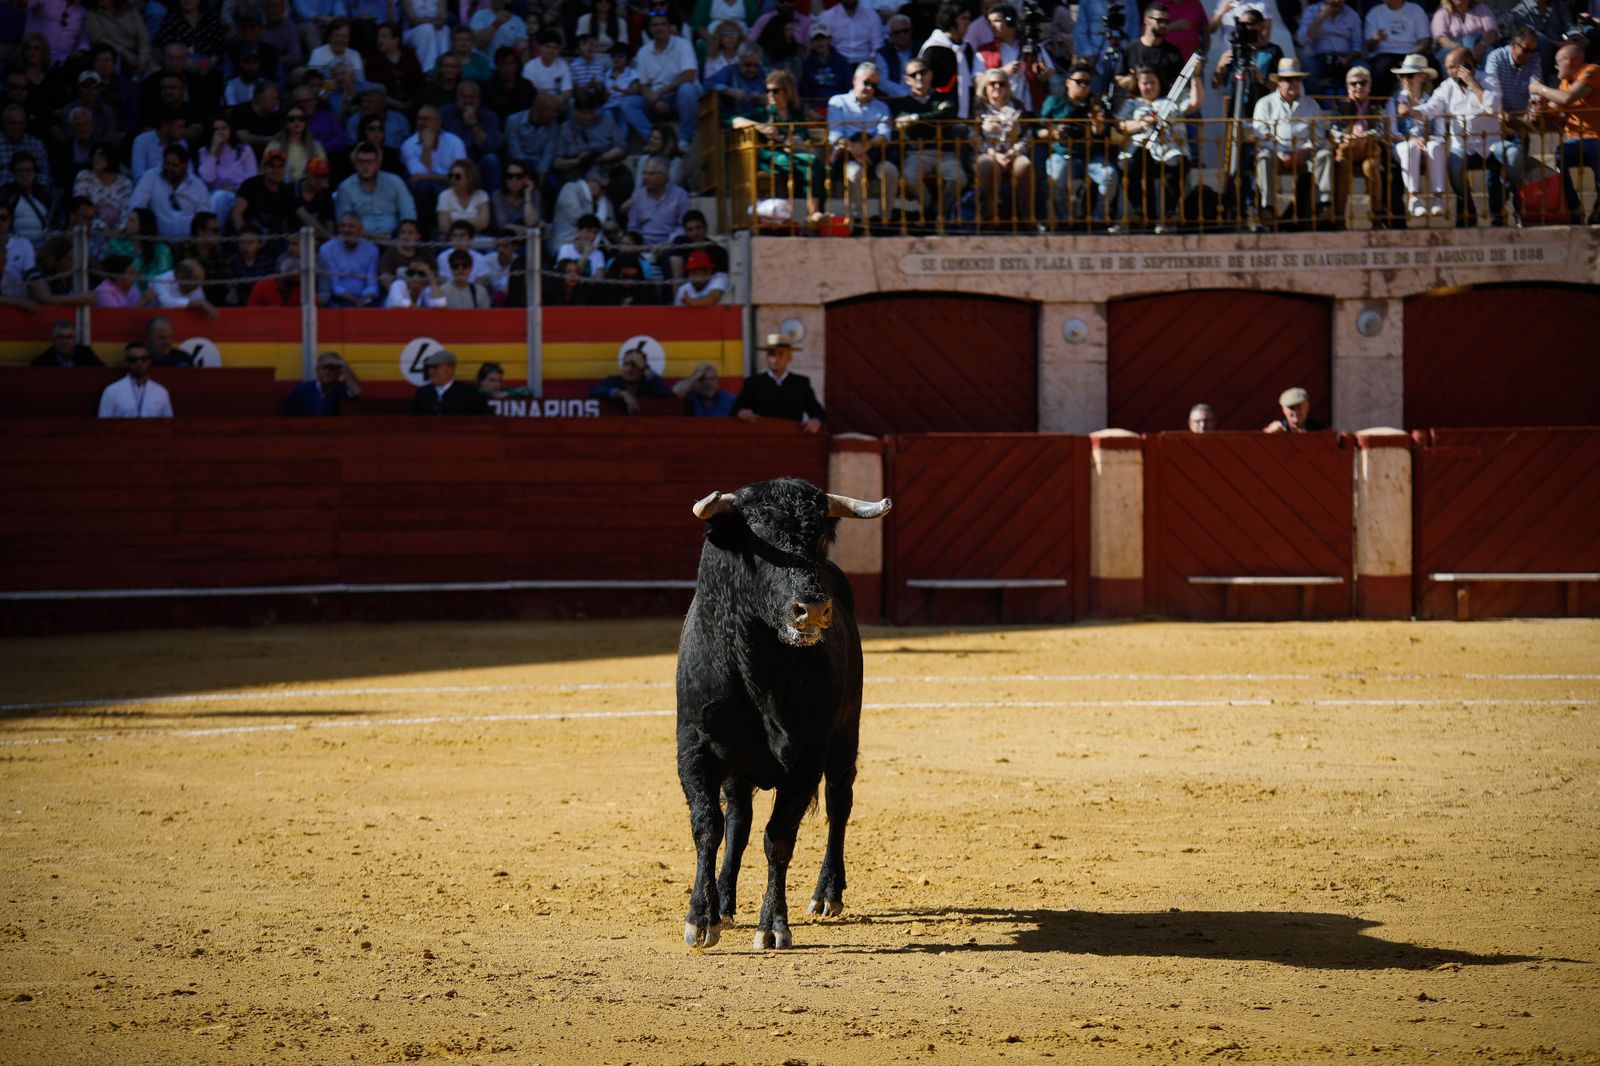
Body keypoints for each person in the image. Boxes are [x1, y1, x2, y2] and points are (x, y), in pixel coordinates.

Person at [1401, 47, 1503, 226]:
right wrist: (1412, 111)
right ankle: (1468, 211)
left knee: (1512, 156)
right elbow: (1431, 108)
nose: (1448, 72)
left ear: (1468, 66)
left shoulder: (1489, 79)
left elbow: (1493, 107)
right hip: (1463, 145)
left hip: (1492, 143)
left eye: (1452, 67)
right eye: (1447, 67)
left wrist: (1473, 83)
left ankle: (1502, 210)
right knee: (1454, 166)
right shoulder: (1447, 86)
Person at [1120, 66, 1202, 231]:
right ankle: (1138, 212)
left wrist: (1196, 77)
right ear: (1138, 84)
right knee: (1128, 166)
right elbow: (1122, 125)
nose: (1149, 87)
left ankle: (1168, 213)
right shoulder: (1131, 104)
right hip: (1141, 148)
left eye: (1152, 82)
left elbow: (1195, 103)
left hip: (1170, 148)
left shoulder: (1172, 101)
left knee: (1177, 164)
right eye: (1145, 83)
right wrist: (1142, 124)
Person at [1251, 57, 1332, 226]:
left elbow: (1318, 133)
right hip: (1276, 154)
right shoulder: (1264, 104)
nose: (1293, 83)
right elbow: (1261, 135)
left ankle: (1323, 204)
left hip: (1305, 155)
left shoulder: (1311, 104)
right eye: (1288, 80)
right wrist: (1281, 152)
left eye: (1296, 79)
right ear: (1279, 82)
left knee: (1324, 154)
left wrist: (1305, 149)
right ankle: (1268, 207)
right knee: (1264, 157)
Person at [1528, 40, 1600, 225]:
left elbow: (1567, 99)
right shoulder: (1563, 83)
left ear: (1569, 60)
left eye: (1557, 61)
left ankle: (1597, 213)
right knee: (1557, 160)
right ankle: (1574, 209)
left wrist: (1539, 89)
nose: (1554, 66)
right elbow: (1554, 110)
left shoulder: (1591, 71)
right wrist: (1539, 111)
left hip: (1596, 138)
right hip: (1575, 140)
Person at [1043, 61, 1121, 227]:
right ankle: (1063, 219)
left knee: (1109, 175)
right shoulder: (1054, 102)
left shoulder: (1096, 104)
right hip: (1064, 153)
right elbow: (1038, 128)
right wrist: (1054, 132)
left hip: (1091, 155)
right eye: (1079, 82)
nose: (1084, 86)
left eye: (1088, 82)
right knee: (1057, 176)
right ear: (1068, 82)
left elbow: (1103, 133)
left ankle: (1099, 218)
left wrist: (1097, 124)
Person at [891, 56, 964, 225]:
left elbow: (946, 117)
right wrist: (933, 117)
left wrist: (916, 118)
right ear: (906, 80)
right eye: (913, 74)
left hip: (945, 154)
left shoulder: (946, 97)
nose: (919, 77)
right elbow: (909, 129)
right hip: (917, 153)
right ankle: (930, 207)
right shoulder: (901, 104)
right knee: (909, 176)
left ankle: (938, 212)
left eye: (922, 72)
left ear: (930, 74)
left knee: (959, 178)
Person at [829, 62, 898, 226]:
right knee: (855, 173)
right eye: (866, 82)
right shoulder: (837, 102)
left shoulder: (882, 107)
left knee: (890, 170)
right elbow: (836, 135)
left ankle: (884, 218)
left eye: (874, 85)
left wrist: (864, 148)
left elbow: (884, 135)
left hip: (874, 154)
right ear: (855, 79)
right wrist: (855, 150)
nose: (869, 88)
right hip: (847, 155)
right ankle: (862, 218)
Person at [973, 69, 1035, 227]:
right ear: (985, 86)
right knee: (987, 165)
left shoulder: (1017, 106)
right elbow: (973, 135)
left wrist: (1013, 153)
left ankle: (1027, 217)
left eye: (1002, 84)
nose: (997, 87)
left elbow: (1027, 134)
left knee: (1025, 165)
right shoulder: (977, 108)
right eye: (992, 83)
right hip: (987, 152)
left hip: (1012, 152)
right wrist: (994, 154)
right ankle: (991, 216)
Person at [636, 11, 703, 155]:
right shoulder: (643, 52)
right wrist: (654, 101)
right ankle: (653, 139)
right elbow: (643, 85)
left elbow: (689, 75)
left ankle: (685, 139)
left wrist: (659, 93)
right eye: (655, 25)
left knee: (687, 89)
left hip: (681, 95)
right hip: (658, 100)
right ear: (650, 29)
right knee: (628, 103)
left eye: (663, 24)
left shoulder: (683, 45)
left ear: (669, 26)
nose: (659, 28)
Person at [735, 333, 824, 432]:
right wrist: (742, 412)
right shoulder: (753, 383)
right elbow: (736, 409)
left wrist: (815, 421)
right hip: (761, 438)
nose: (776, 359)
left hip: (792, 438)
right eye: (772, 354)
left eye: (781, 354)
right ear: (767, 357)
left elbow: (818, 412)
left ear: (789, 358)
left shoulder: (800, 384)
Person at [127, 144, 212, 239]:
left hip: (189, 245)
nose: (169, 168)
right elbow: (136, 206)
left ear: (185, 166)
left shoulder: (198, 185)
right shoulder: (150, 177)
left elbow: (204, 217)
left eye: (174, 165)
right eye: (166, 164)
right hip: (156, 243)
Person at [1365, 0, 1434, 99]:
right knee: (1381, 67)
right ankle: (1379, 105)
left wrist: (1410, 57)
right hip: (1385, 54)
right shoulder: (1374, 13)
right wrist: (1375, 39)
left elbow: (1425, 40)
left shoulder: (1416, 10)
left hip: (1412, 53)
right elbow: (1368, 46)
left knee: (1432, 63)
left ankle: (1434, 102)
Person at [1297, 0, 1364, 95]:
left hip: (1344, 60)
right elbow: (1302, 40)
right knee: (1308, 66)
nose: (1336, 1)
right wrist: (1321, 17)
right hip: (1318, 59)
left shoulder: (1352, 15)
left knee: (1362, 68)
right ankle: (1315, 106)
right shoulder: (1312, 11)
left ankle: (1354, 106)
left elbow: (1357, 46)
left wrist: (1347, 59)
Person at [1118, 4, 1186, 95]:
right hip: (1136, 104)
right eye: (1160, 21)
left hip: (1163, 104)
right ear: (1146, 20)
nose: (1163, 25)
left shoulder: (1173, 52)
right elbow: (1119, 78)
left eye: (1166, 21)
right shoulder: (1131, 49)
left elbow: (1181, 83)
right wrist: (1133, 78)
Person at [318, 213, 381, 306]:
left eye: (351, 226)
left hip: (364, 297)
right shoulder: (327, 248)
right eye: (343, 226)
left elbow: (372, 283)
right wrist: (355, 300)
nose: (346, 230)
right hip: (339, 298)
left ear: (361, 230)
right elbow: (334, 285)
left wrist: (364, 299)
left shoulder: (371, 249)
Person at [588, 344, 672, 413]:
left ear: (642, 369)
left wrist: (645, 368)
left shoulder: (649, 383)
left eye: (634, 365)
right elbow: (593, 391)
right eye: (626, 364)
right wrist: (622, 393)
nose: (629, 369)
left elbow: (666, 393)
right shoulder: (615, 381)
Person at [99, 342, 174, 419]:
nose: (139, 363)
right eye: (133, 360)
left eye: (143, 359)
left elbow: (169, 423)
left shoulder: (161, 392)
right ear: (126, 362)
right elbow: (103, 424)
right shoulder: (111, 391)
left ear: (149, 361)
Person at [412, 349, 490, 414]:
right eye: (429, 367)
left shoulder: (468, 392)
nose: (431, 371)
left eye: (436, 367)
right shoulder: (423, 393)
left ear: (450, 368)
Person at [285, 350, 363, 415]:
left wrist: (344, 365)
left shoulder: (341, 388)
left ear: (339, 373)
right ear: (317, 371)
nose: (328, 371)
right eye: (325, 367)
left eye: (333, 368)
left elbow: (356, 391)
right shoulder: (301, 389)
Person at [148, 258, 222, 319]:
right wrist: (197, 303)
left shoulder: (196, 286)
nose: (199, 286)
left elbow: (200, 305)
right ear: (181, 278)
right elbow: (165, 303)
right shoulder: (161, 280)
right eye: (196, 282)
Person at [32, 320, 103, 367]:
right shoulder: (41, 362)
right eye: (60, 337)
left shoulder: (86, 355)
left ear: (75, 340)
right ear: (53, 340)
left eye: (69, 337)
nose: (65, 341)